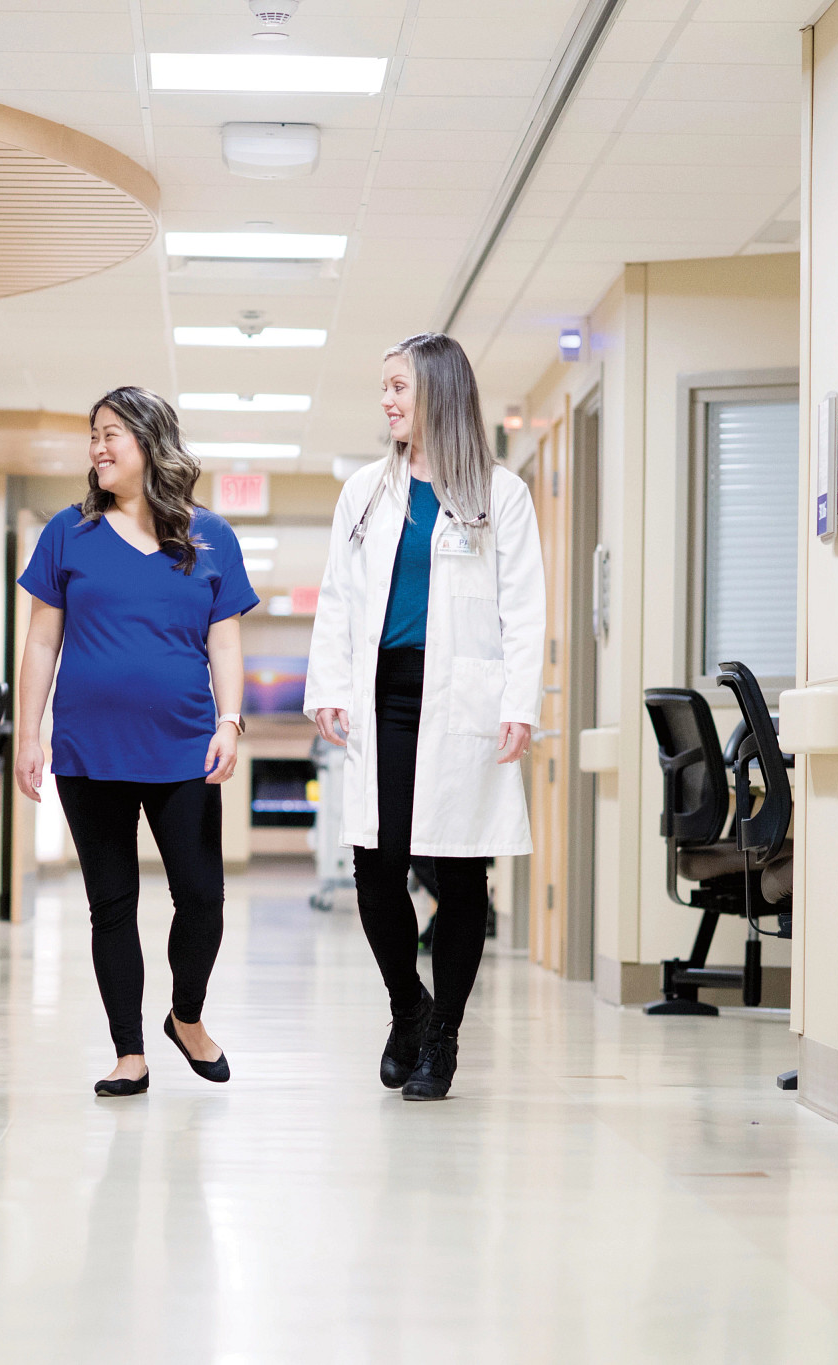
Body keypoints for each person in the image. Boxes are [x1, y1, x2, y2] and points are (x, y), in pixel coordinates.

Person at [303, 332, 544, 1100]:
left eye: (398, 386)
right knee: (375, 866)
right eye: (385, 387)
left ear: (438, 391)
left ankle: (444, 1037)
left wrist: (520, 702)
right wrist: (328, 685)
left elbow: (523, 607)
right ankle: (409, 1005)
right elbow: (338, 596)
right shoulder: (366, 491)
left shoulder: (500, 494)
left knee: (461, 867)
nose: (387, 400)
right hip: (382, 697)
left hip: (462, 698)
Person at [13, 386, 259, 1097]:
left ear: (151, 442)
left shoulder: (210, 535)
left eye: (111, 433)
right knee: (112, 903)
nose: (97, 446)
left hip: (184, 746)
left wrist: (230, 720)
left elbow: (224, 638)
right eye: (93, 434)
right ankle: (129, 1052)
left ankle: (186, 1016)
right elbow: (41, 640)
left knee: (202, 897)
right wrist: (28, 734)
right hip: (89, 749)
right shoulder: (68, 532)